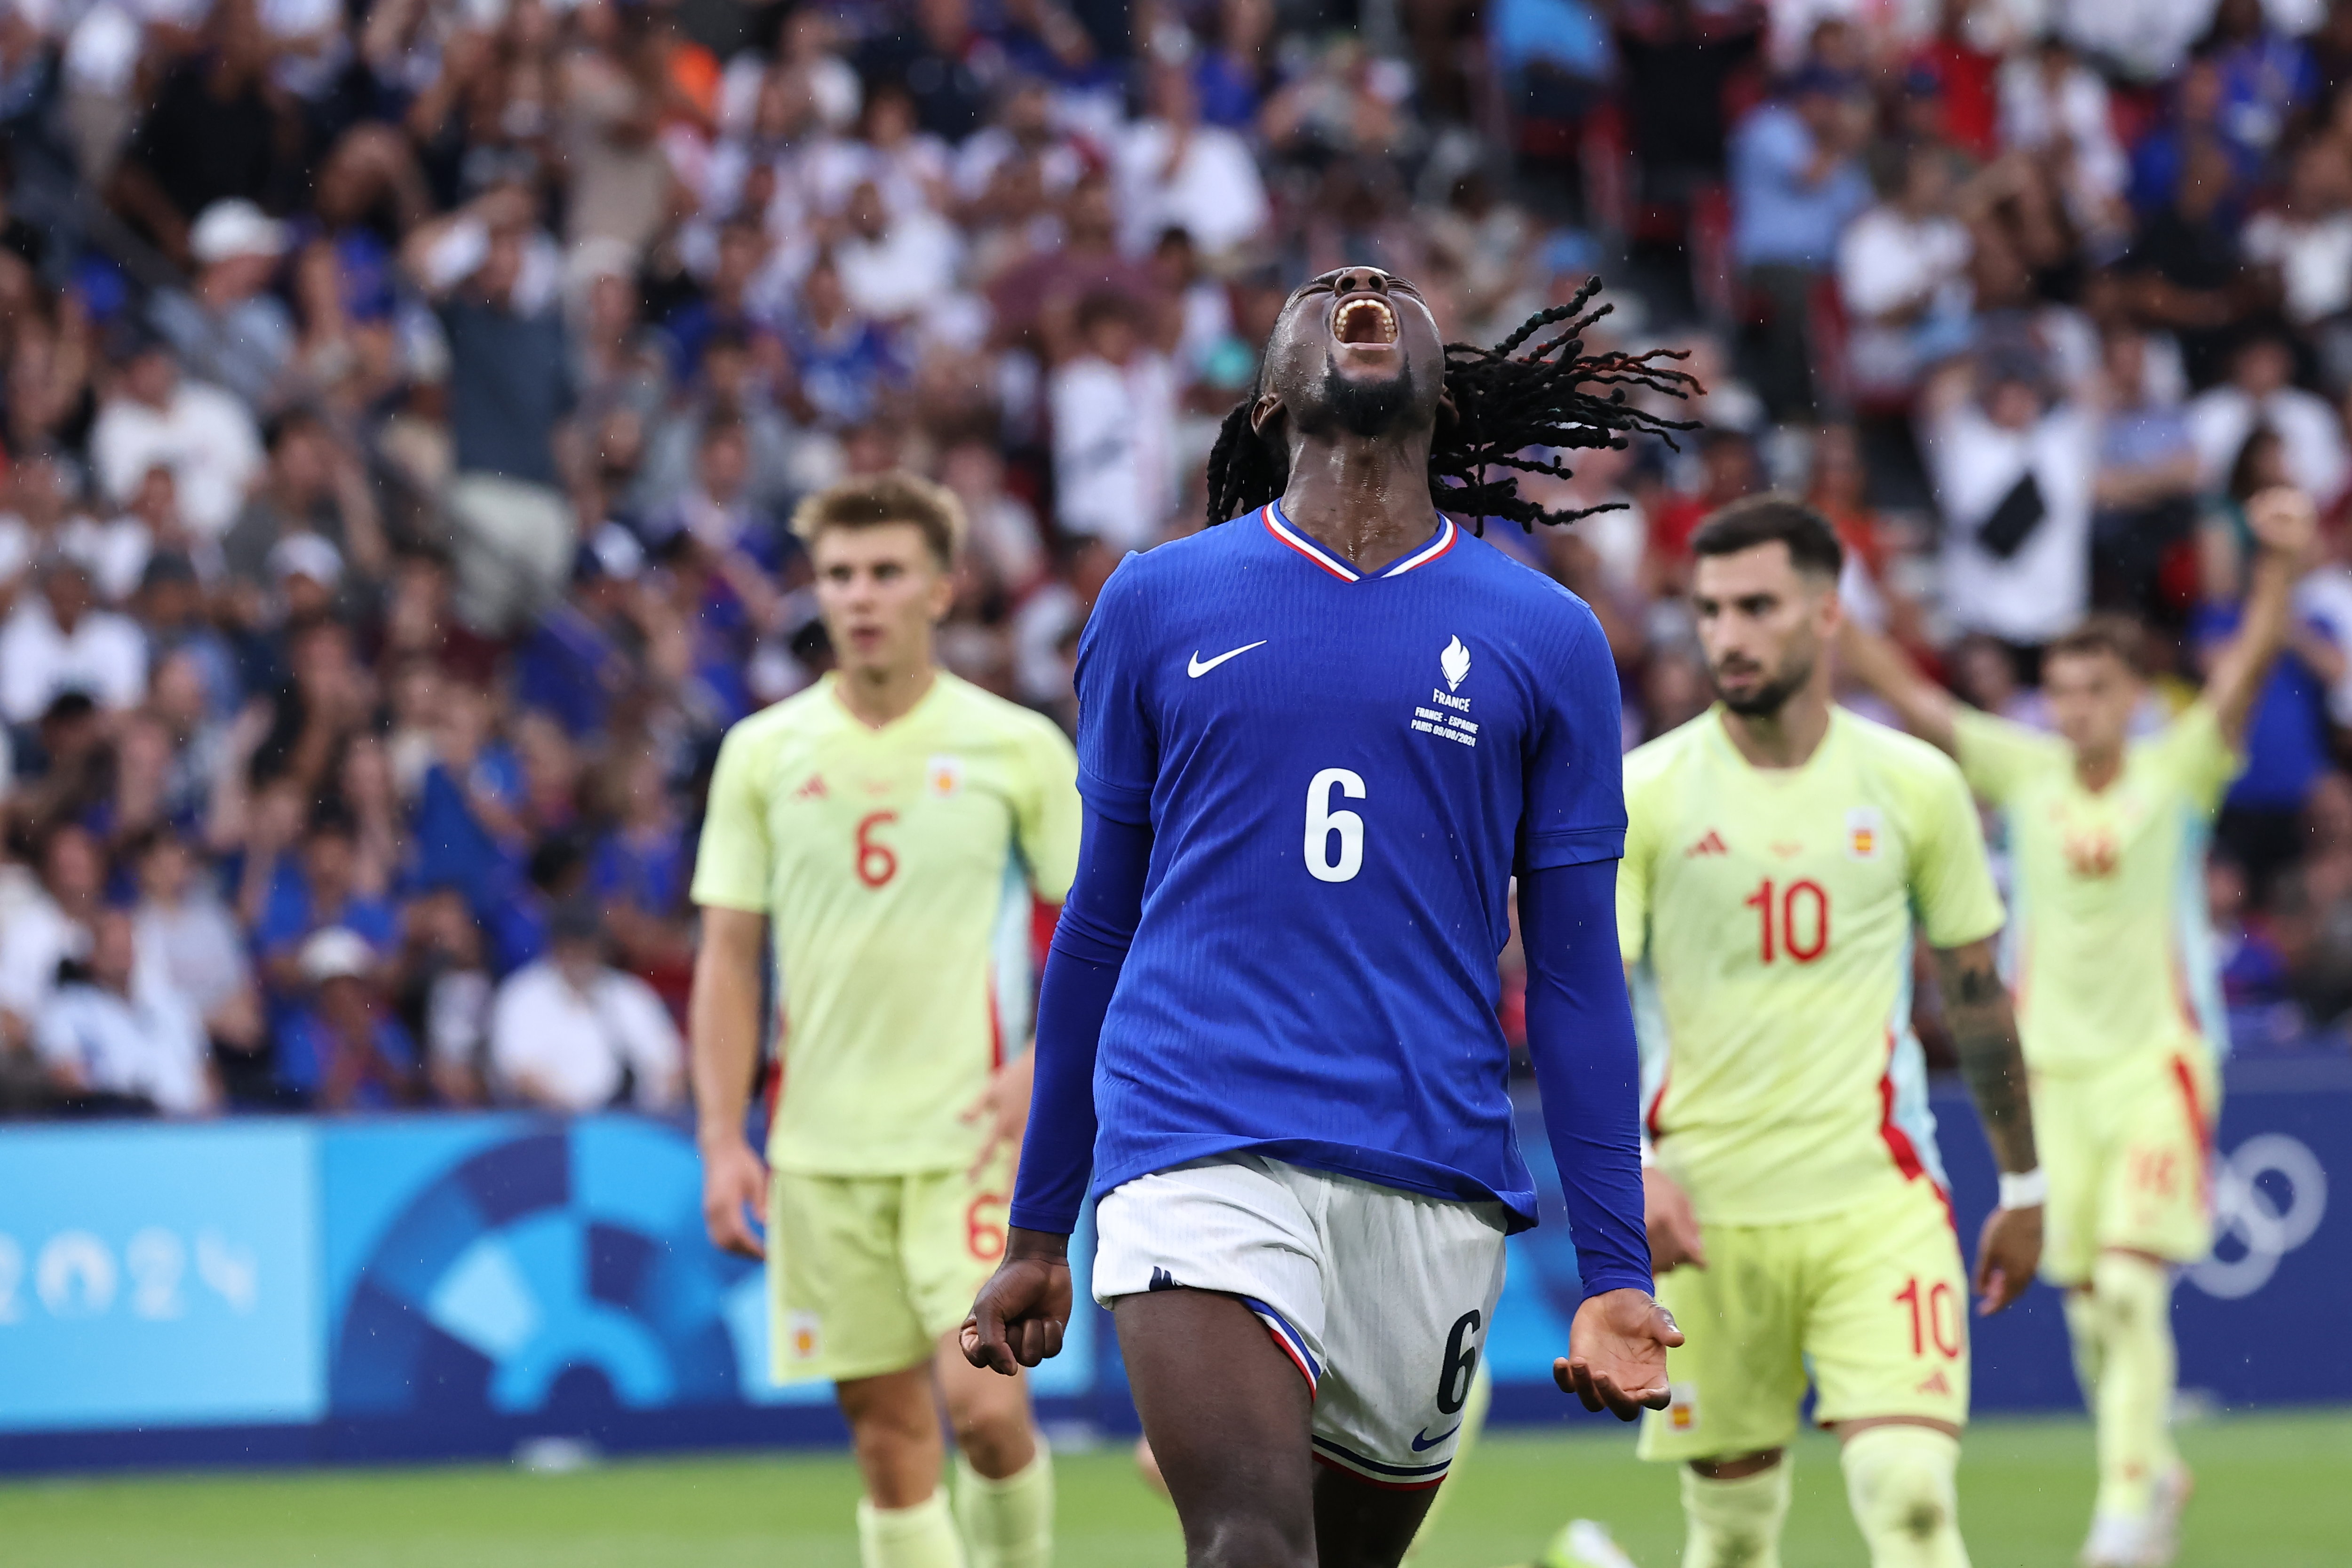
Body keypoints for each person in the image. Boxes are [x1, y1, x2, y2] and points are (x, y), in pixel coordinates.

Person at [964, 271, 1693, 1568]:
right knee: (1250, 1544)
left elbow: (1579, 976)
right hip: (1196, 1134)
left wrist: (1617, 1267)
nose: (1360, 287)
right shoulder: (1155, 603)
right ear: (1270, 393)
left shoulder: (1549, 636)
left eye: (1390, 289)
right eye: (1323, 293)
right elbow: (1096, 929)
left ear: (1444, 390)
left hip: (1435, 1167)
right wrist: (1039, 1225)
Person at [1840, 485, 2317, 1568]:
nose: (2069, 711)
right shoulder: (2025, 771)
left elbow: (2241, 677)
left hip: (2156, 1063)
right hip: (2049, 1077)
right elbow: (1917, 704)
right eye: (2056, 692)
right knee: (2095, 1308)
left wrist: (2281, 570)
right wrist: (1839, 617)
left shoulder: (2177, 769)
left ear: (2128, 696)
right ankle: (2153, 1469)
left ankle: (2123, 1505)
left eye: (2090, 692)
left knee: (2137, 1284)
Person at [1618, 497, 2042, 1568]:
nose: (1727, 635)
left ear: (1825, 614)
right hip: (1703, 1216)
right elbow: (1585, 1004)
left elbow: (1979, 998)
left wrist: (2026, 1189)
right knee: (1728, 1535)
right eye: (1708, 611)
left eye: (1756, 606)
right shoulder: (1646, 793)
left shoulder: (1914, 784)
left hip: (1876, 1201)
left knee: (1906, 1494)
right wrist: (1630, 1171)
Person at [690, 472, 1081, 1568]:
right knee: (890, 1442)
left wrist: (1049, 1064)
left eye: (886, 573)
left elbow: (1116, 937)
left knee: (989, 1412)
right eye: (841, 575)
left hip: (973, 1146)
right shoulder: (764, 755)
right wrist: (724, 1141)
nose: (860, 597)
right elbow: (728, 960)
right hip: (819, 1153)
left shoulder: (1016, 748)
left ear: (942, 590)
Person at [487, 900, 683, 1112]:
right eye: (570, 945)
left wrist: (654, 1111)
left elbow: (670, 1064)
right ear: (554, 946)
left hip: (631, 1124)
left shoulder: (629, 994)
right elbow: (519, 1074)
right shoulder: (522, 995)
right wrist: (581, 1116)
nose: (578, 954)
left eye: (585, 944)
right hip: (547, 1128)